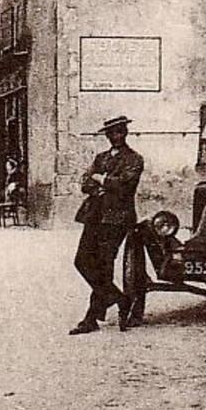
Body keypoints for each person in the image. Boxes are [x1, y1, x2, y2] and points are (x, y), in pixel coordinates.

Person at [70, 115, 145, 336]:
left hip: (117, 218)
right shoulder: (100, 158)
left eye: (120, 132)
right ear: (107, 136)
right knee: (82, 261)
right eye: (111, 133)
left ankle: (91, 318)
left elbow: (125, 186)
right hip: (94, 215)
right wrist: (98, 185)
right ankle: (120, 299)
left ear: (126, 133)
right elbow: (85, 183)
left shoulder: (134, 159)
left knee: (104, 264)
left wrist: (101, 180)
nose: (116, 136)